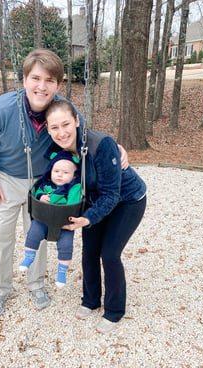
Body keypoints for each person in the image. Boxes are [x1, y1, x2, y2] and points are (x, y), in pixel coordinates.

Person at [0, 48, 128, 318]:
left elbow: (84, 135)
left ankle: (36, 284)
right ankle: (1, 288)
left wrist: (116, 148)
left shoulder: (62, 109)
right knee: (2, 236)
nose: (41, 87)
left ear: (58, 84)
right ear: (24, 81)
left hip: (45, 181)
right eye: (35, 78)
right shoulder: (0, 109)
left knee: (41, 234)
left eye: (49, 81)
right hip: (6, 179)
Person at [44, 100, 147, 334]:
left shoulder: (101, 144)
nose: (61, 133)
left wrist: (88, 219)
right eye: (54, 128)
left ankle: (114, 310)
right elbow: (55, 183)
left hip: (127, 201)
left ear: (77, 121)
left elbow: (111, 194)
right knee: (89, 251)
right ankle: (91, 300)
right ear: (48, 130)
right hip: (94, 203)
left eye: (66, 124)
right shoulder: (57, 152)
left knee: (109, 253)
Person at [19, 150, 81, 288]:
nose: (59, 174)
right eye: (56, 171)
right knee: (33, 233)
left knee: (66, 246)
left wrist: (54, 199)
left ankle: (62, 272)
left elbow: (73, 202)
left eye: (65, 173)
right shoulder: (46, 183)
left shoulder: (74, 187)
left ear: (73, 175)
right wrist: (41, 197)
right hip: (43, 219)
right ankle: (29, 257)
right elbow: (37, 191)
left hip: (64, 223)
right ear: (51, 171)